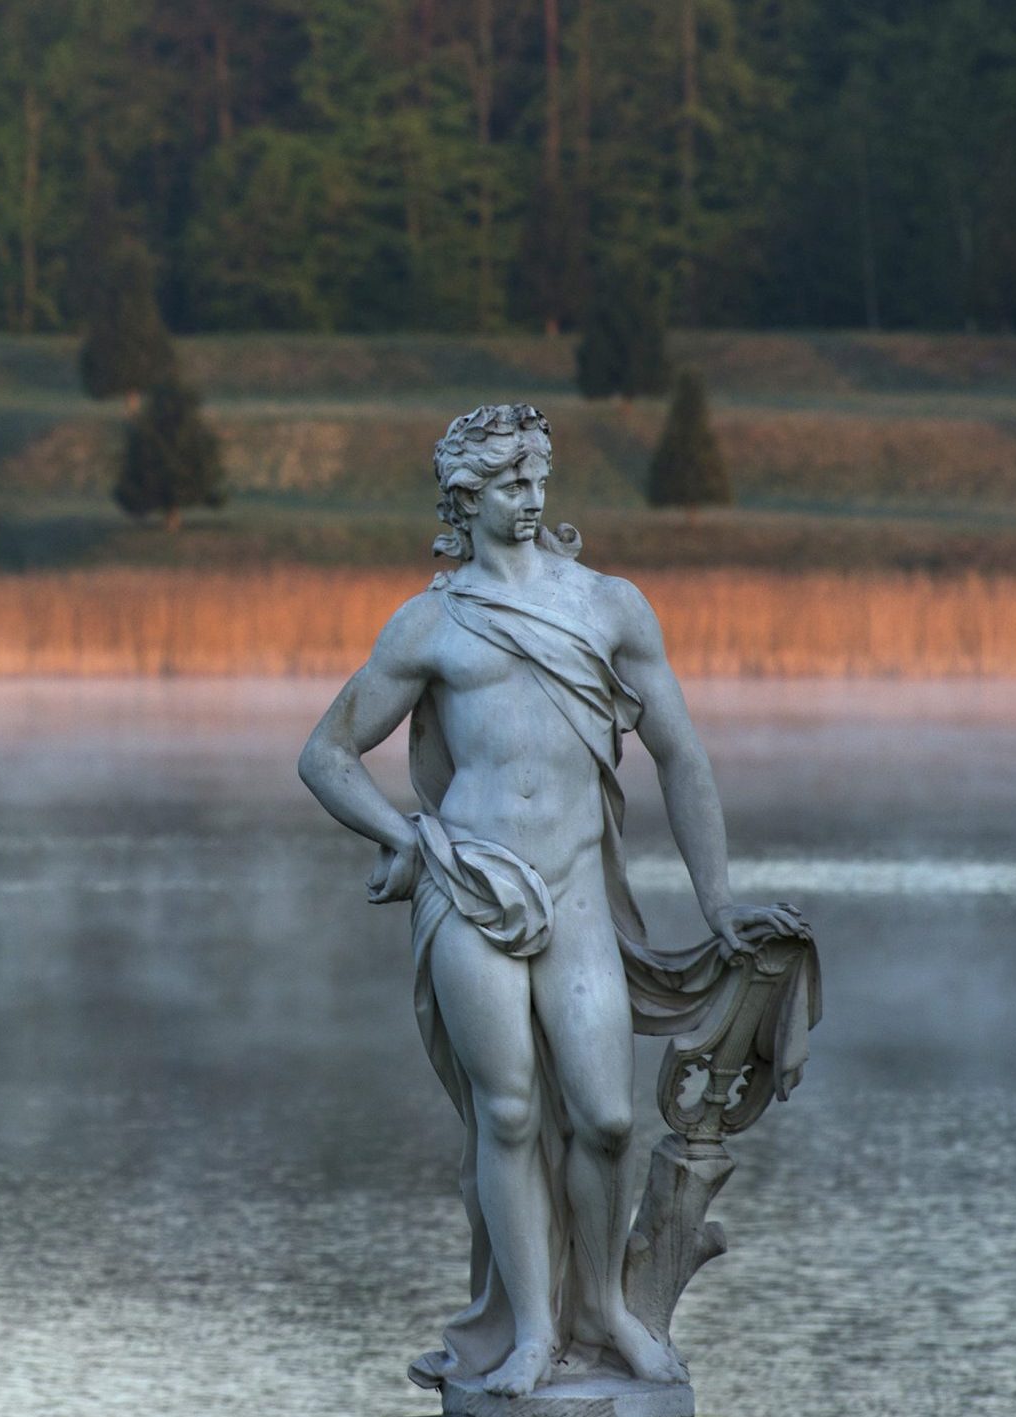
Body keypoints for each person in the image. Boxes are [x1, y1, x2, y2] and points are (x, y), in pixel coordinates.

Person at [296, 403, 810, 1397]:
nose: (529, 500)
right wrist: (408, 841)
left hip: (576, 892)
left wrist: (718, 904)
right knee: (510, 1111)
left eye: (538, 479)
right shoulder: (432, 621)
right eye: (506, 485)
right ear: (464, 498)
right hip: (470, 889)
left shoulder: (609, 606)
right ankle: (532, 1330)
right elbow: (323, 755)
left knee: (608, 1117)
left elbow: (680, 756)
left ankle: (606, 1307)